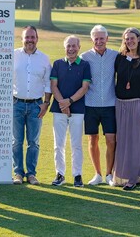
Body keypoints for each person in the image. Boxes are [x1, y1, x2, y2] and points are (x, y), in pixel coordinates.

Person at [113, 27, 140, 191]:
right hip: (120, 104)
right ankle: (124, 175)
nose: (129, 41)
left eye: (132, 38)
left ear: (139, 39)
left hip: (139, 105)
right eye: (126, 39)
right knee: (122, 141)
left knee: (136, 142)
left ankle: (133, 178)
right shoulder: (120, 58)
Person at [12, 25, 52, 185]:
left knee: (33, 142)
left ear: (37, 39)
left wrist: (46, 103)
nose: (30, 40)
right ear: (22, 39)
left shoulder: (44, 58)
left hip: (36, 105)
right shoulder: (13, 55)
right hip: (16, 104)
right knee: (16, 141)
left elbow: (48, 83)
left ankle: (31, 173)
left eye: (32, 37)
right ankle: (18, 173)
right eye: (27, 37)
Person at [50, 35, 91, 187]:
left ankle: (77, 175)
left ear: (79, 48)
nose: (71, 49)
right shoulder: (58, 64)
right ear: (64, 47)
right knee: (58, 144)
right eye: (68, 46)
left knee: (76, 144)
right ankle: (60, 174)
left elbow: (84, 87)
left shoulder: (84, 65)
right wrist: (64, 104)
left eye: (74, 46)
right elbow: (54, 86)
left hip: (78, 110)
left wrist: (70, 102)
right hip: (59, 110)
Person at [80, 25, 118, 186]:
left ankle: (109, 174)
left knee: (111, 140)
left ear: (107, 39)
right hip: (90, 105)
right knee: (92, 140)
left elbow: (135, 55)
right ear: (92, 40)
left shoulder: (116, 56)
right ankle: (98, 174)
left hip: (110, 104)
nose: (99, 41)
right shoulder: (85, 57)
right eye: (96, 38)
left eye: (102, 38)